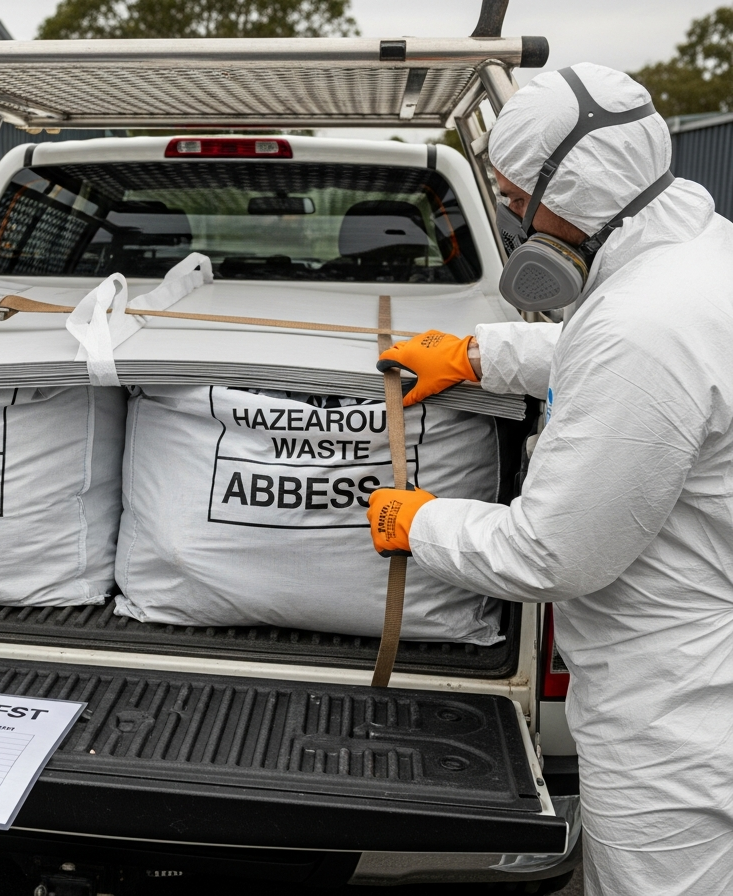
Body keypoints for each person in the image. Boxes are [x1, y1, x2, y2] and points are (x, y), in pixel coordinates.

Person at [366, 63, 733, 895]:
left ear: (569, 191)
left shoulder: (650, 322)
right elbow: (602, 358)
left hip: (677, 719)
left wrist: (417, 523)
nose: (507, 214)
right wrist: (477, 354)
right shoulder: (687, 257)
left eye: (508, 196)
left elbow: (552, 554)